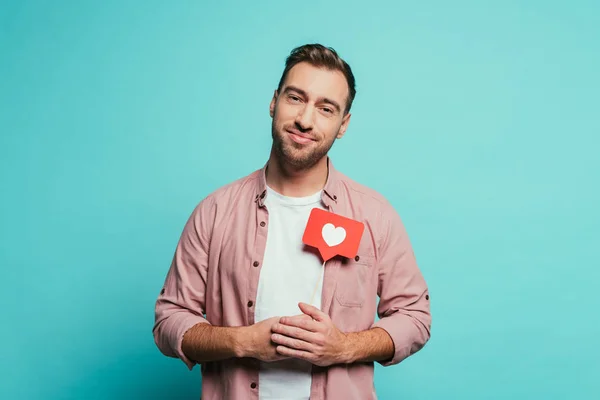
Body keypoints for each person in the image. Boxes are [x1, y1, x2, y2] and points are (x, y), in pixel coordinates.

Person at [153, 43, 431, 400]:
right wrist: (242, 341)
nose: (305, 119)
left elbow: (415, 316)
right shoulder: (215, 211)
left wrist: (343, 346)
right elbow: (169, 320)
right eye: (296, 98)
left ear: (343, 124)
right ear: (274, 101)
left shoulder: (374, 215)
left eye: (326, 108)